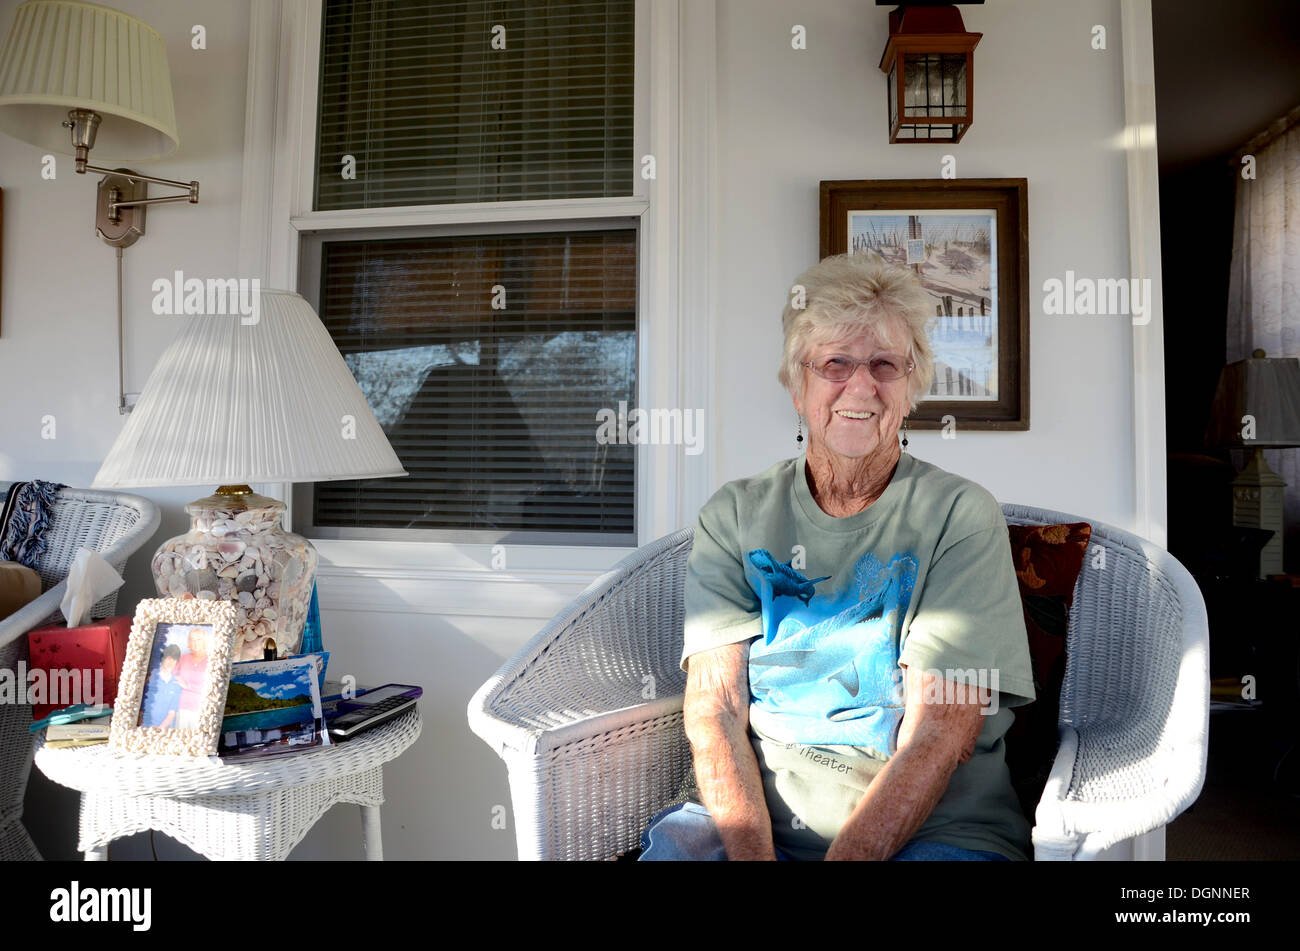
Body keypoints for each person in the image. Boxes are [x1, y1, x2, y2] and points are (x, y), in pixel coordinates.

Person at [639, 252, 1036, 861]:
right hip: (756, 824)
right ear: (799, 387)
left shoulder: (959, 514)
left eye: (884, 365)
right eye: (835, 364)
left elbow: (940, 732)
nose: (860, 386)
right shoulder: (736, 514)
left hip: (934, 830)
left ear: (910, 389)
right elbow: (714, 710)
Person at [175, 626, 210, 730]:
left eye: (198, 639)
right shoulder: (183, 658)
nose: (195, 643)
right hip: (182, 706)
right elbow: (173, 676)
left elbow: (210, 687)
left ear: (204, 641)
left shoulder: (211, 661)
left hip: (201, 709)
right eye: (192, 639)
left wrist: (187, 686)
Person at [140, 645, 181, 729]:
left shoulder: (177, 684)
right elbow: (141, 705)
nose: (171, 662)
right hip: (144, 726)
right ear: (163, 659)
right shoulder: (150, 678)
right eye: (168, 658)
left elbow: (172, 713)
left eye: (174, 659)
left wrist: (159, 729)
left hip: (164, 729)